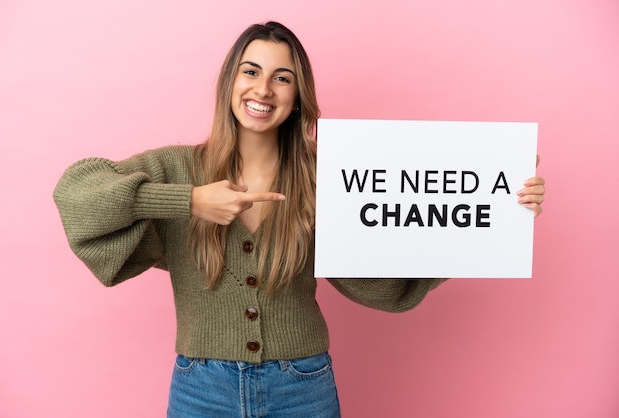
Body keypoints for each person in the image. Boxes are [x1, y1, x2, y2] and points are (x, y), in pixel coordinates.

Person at [53, 21, 546, 418]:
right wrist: (188, 202)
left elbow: (376, 282)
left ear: (297, 94)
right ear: (231, 82)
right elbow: (76, 192)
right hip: (199, 387)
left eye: (281, 77)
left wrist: (496, 210)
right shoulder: (177, 168)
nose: (262, 88)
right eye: (250, 71)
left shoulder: (327, 176)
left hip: (302, 386)